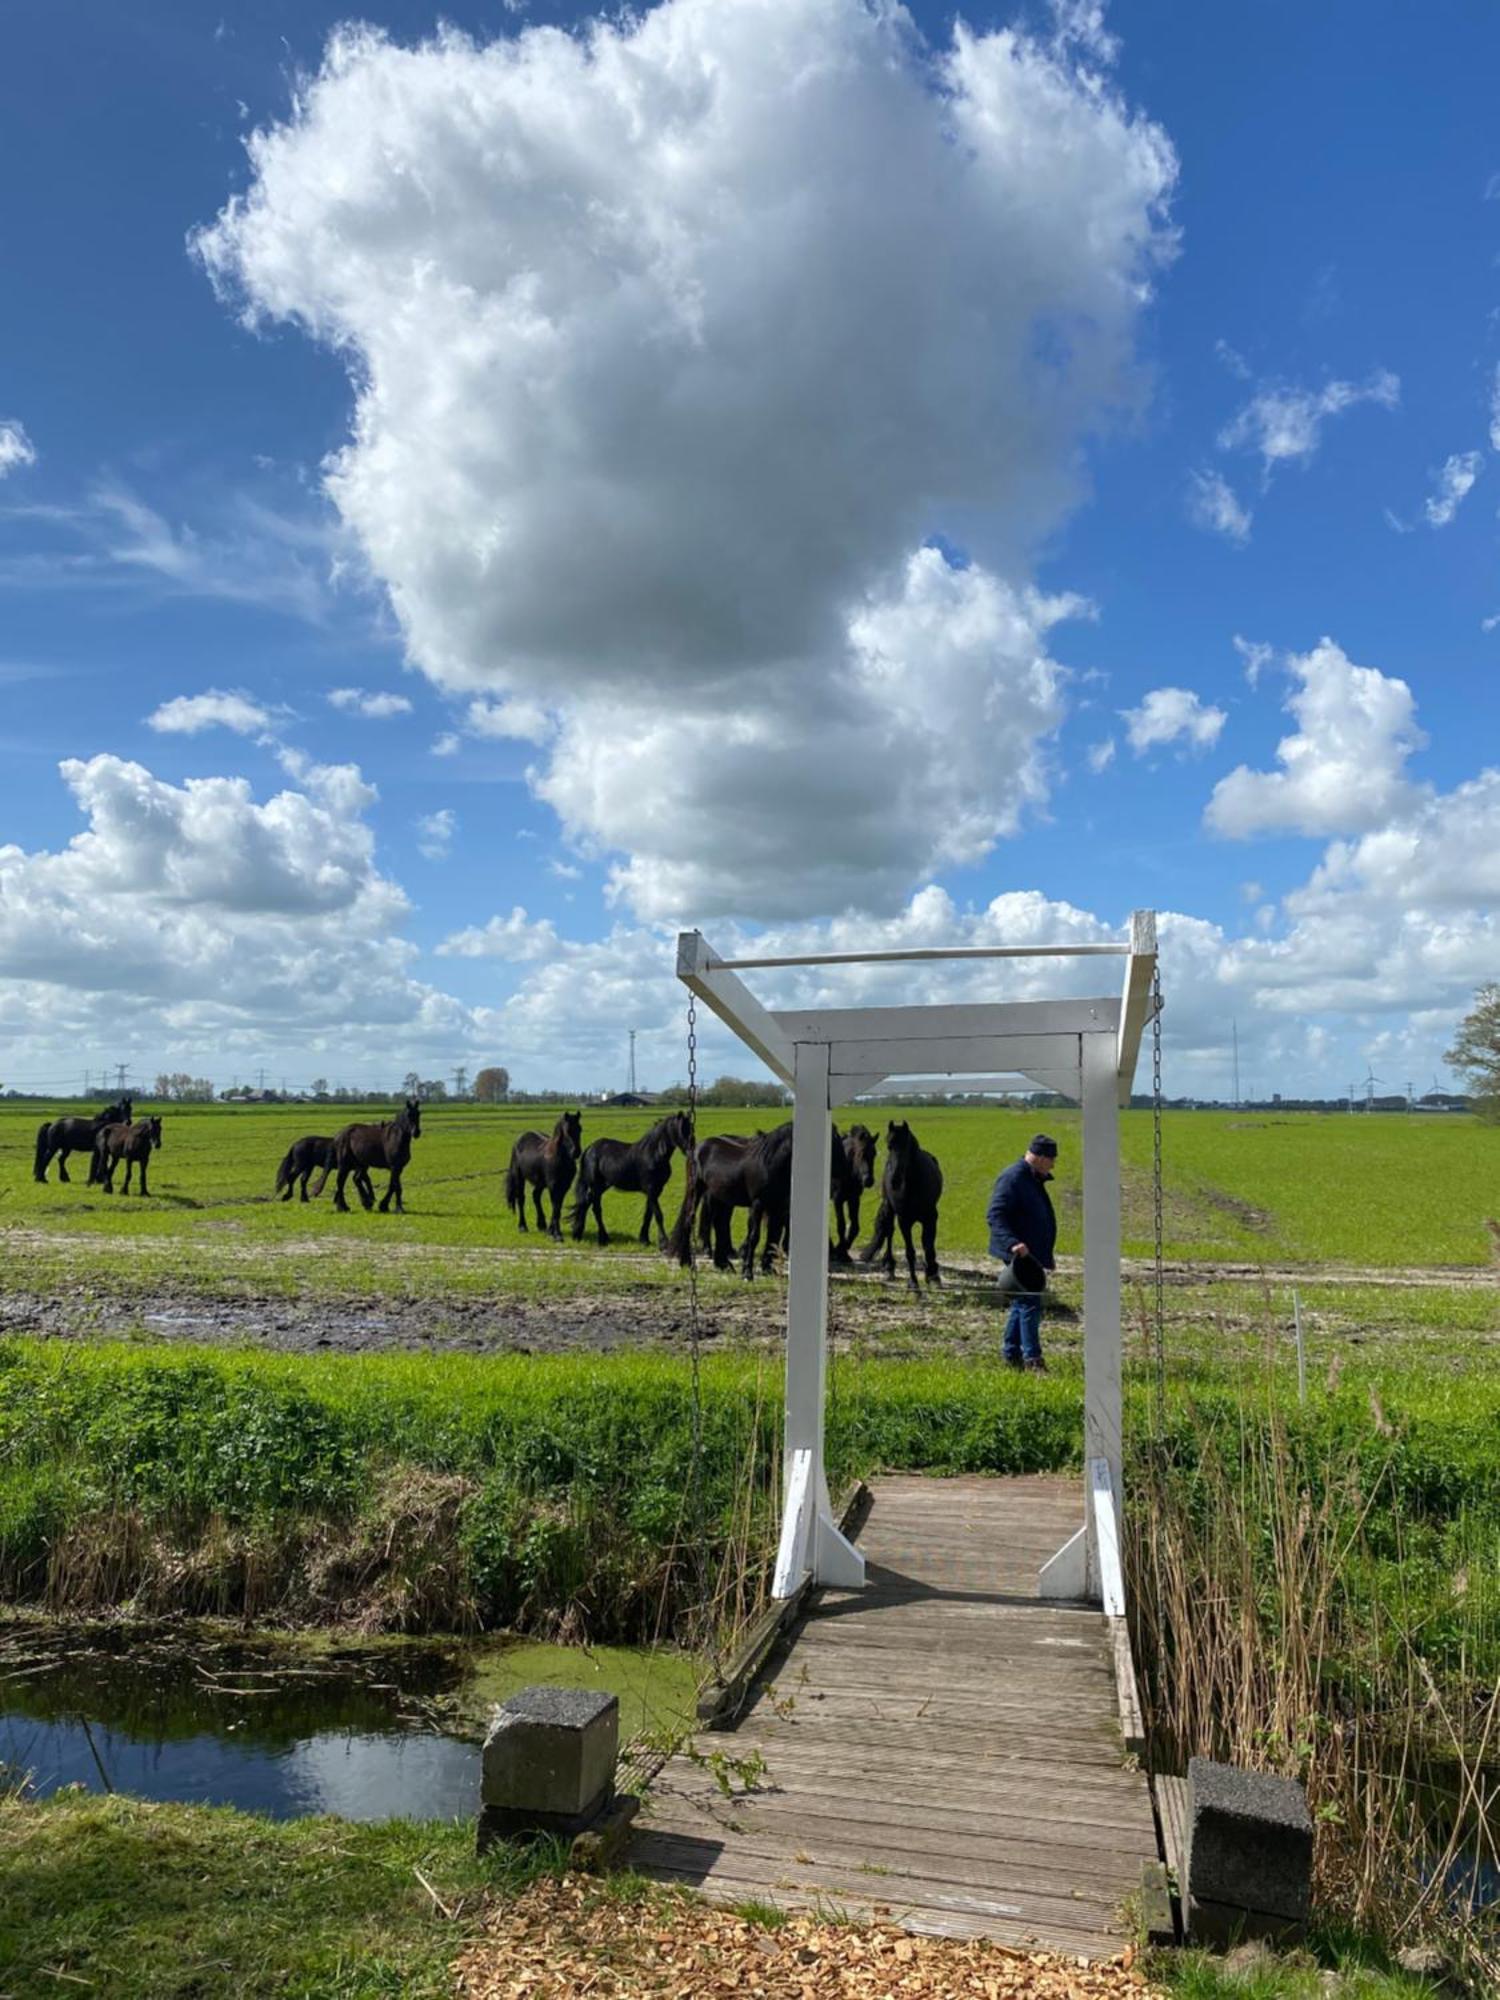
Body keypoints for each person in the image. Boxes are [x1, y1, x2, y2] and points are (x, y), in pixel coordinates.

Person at [986, 1134, 1059, 1372]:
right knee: (1030, 1303)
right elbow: (995, 1215)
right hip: (1019, 1254)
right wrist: (1012, 1243)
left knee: (1021, 1303)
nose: (1053, 1165)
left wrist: (1045, 1255)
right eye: (1051, 1159)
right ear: (1038, 1157)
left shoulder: (1032, 1177)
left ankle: (1011, 1354)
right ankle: (1033, 1360)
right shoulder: (1014, 1177)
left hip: (1031, 1254)